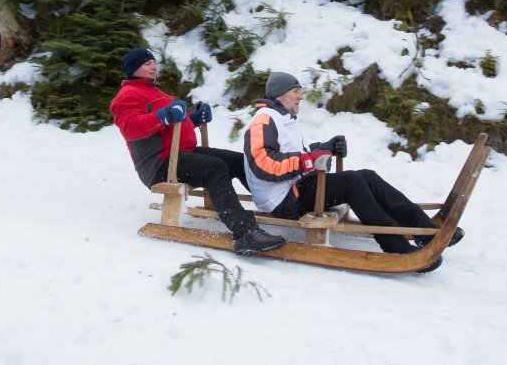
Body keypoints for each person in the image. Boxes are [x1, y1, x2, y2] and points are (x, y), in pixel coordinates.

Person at [243, 71, 464, 271]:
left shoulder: (282, 117)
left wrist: (324, 147)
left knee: (367, 175)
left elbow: (296, 153)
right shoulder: (263, 121)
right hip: (282, 199)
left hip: (296, 186)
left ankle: (423, 230)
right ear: (280, 95)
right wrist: (308, 161)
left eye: (300, 91)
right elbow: (263, 163)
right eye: (296, 91)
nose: (301, 97)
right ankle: (397, 247)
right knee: (352, 182)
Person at [110, 47, 286, 256]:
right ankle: (245, 233)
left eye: (155, 62)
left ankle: (280, 204)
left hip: (181, 153)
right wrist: (164, 115)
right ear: (134, 69)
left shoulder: (155, 92)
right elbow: (131, 127)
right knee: (215, 167)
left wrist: (193, 118)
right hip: (159, 164)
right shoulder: (127, 96)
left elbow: (171, 126)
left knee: (238, 161)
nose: (154, 67)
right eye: (147, 64)